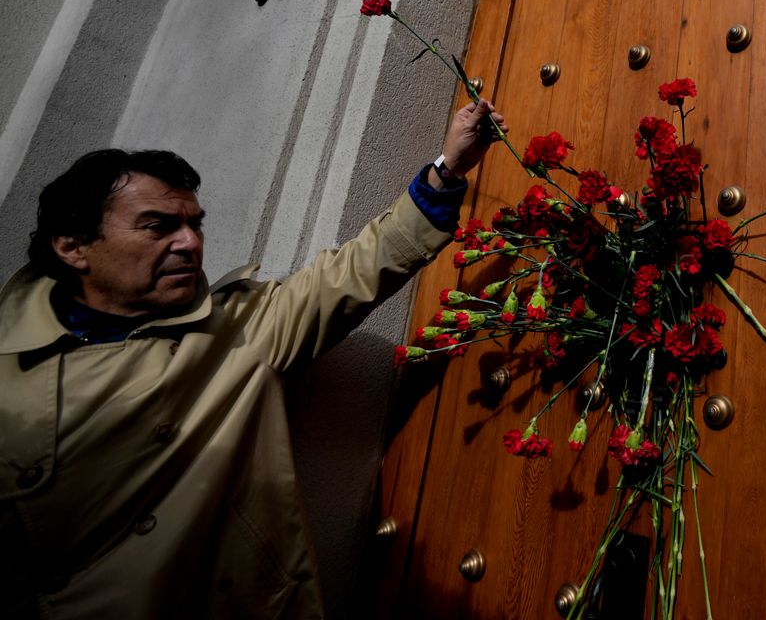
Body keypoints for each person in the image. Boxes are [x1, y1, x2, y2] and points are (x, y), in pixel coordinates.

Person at [0, 100, 506, 619]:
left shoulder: (237, 329)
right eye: (157, 226)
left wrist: (447, 170)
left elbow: (351, 273)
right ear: (73, 247)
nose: (189, 243)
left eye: (194, 224)